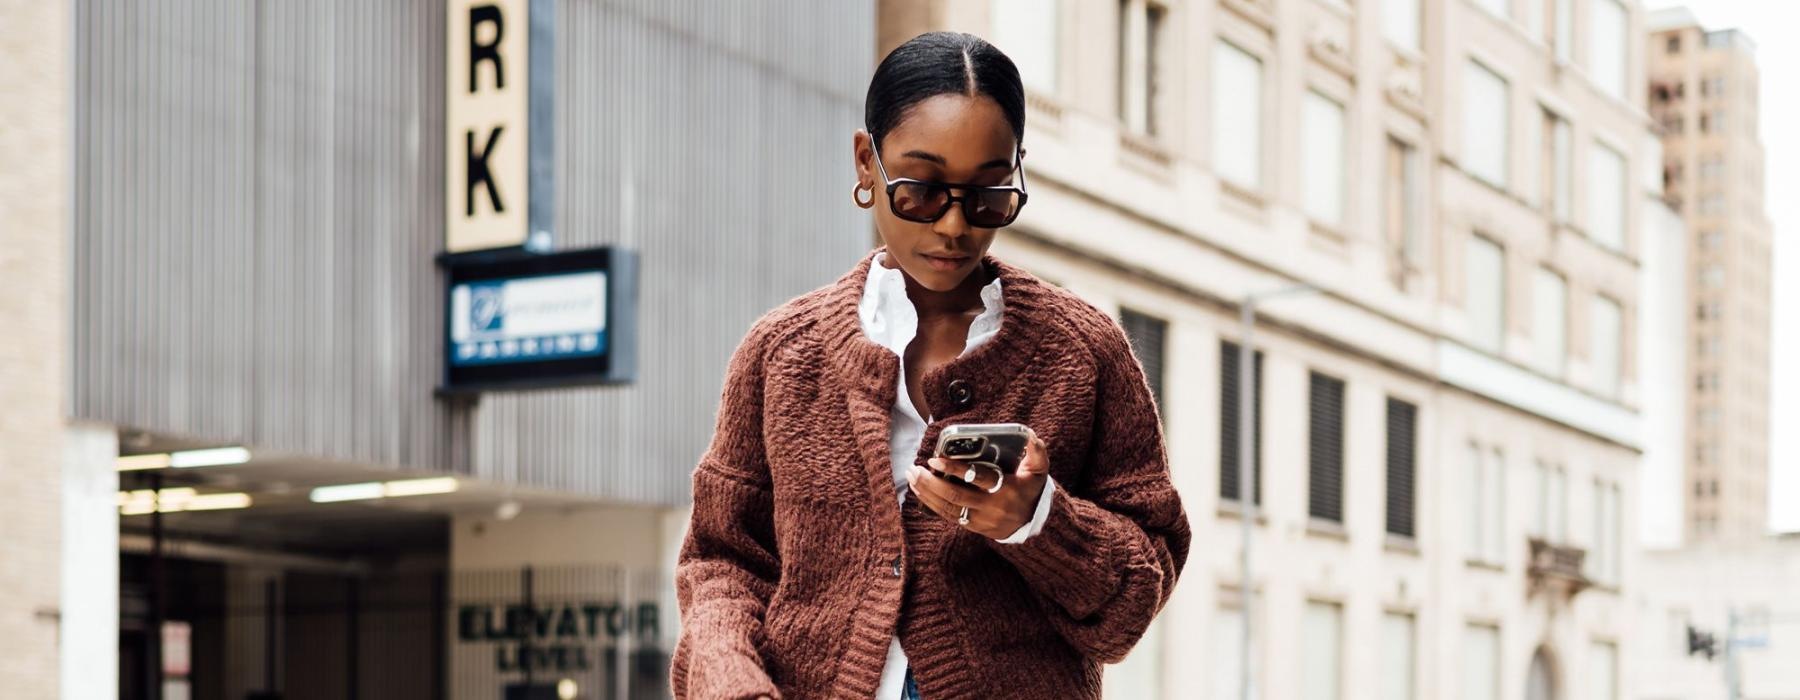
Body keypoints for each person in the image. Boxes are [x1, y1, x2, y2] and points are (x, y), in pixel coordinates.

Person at [670, 31, 1190, 700]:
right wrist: (732, 683)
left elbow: (1131, 603)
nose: (954, 226)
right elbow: (722, 562)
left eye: (988, 194)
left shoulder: (1084, 353)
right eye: (921, 189)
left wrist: (1038, 519)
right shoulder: (780, 353)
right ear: (867, 163)